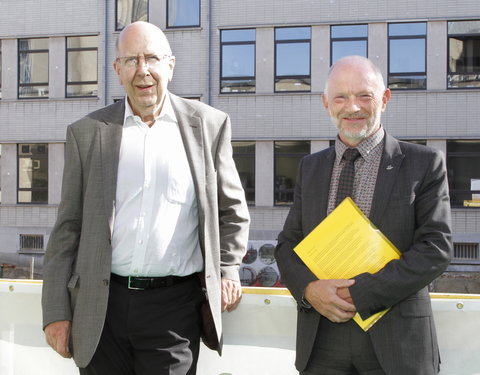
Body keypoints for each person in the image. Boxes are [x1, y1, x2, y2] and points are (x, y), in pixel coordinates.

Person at [41, 21, 250, 375]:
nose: (143, 71)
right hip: (100, 308)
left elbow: (231, 211)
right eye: (131, 60)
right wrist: (56, 312)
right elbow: (67, 228)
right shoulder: (87, 134)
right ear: (117, 69)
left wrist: (228, 268)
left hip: (174, 311)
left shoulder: (209, 126)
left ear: (170, 64)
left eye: (152, 58)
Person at [275, 56, 452, 375]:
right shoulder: (310, 167)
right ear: (326, 103)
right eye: (340, 97)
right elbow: (288, 245)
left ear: (384, 99)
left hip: (397, 344)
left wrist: (358, 294)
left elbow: (435, 250)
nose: (352, 107)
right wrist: (310, 290)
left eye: (364, 95)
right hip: (321, 342)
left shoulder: (424, 163)